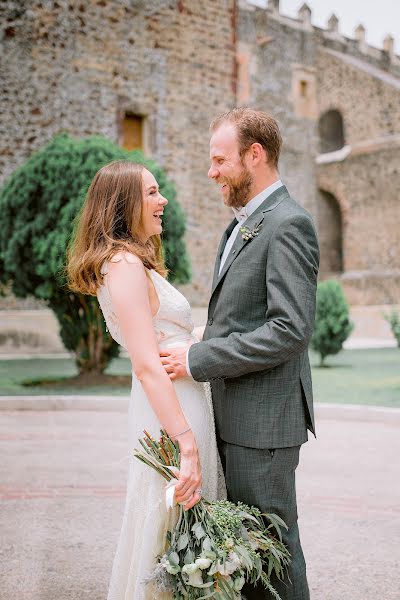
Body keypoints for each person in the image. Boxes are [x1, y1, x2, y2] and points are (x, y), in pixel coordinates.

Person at [161, 108, 320, 600]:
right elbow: (243, 317)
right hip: (236, 416)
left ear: (255, 155)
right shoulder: (239, 227)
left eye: (219, 160)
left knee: (273, 555)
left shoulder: (288, 223)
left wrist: (198, 359)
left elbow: (289, 329)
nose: (212, 172)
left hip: (264, 424)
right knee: (248, 555)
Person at [67, 160, 225, 600]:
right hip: (168, 413)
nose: (163, 201)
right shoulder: (121, 265)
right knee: (168, 527)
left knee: (187, 528)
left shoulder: (137, 262)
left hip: (182, 400)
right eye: (152, 193)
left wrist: (217, 340)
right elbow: (144, 363)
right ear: (124, 204)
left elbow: (169, 338)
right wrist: (186, 442)